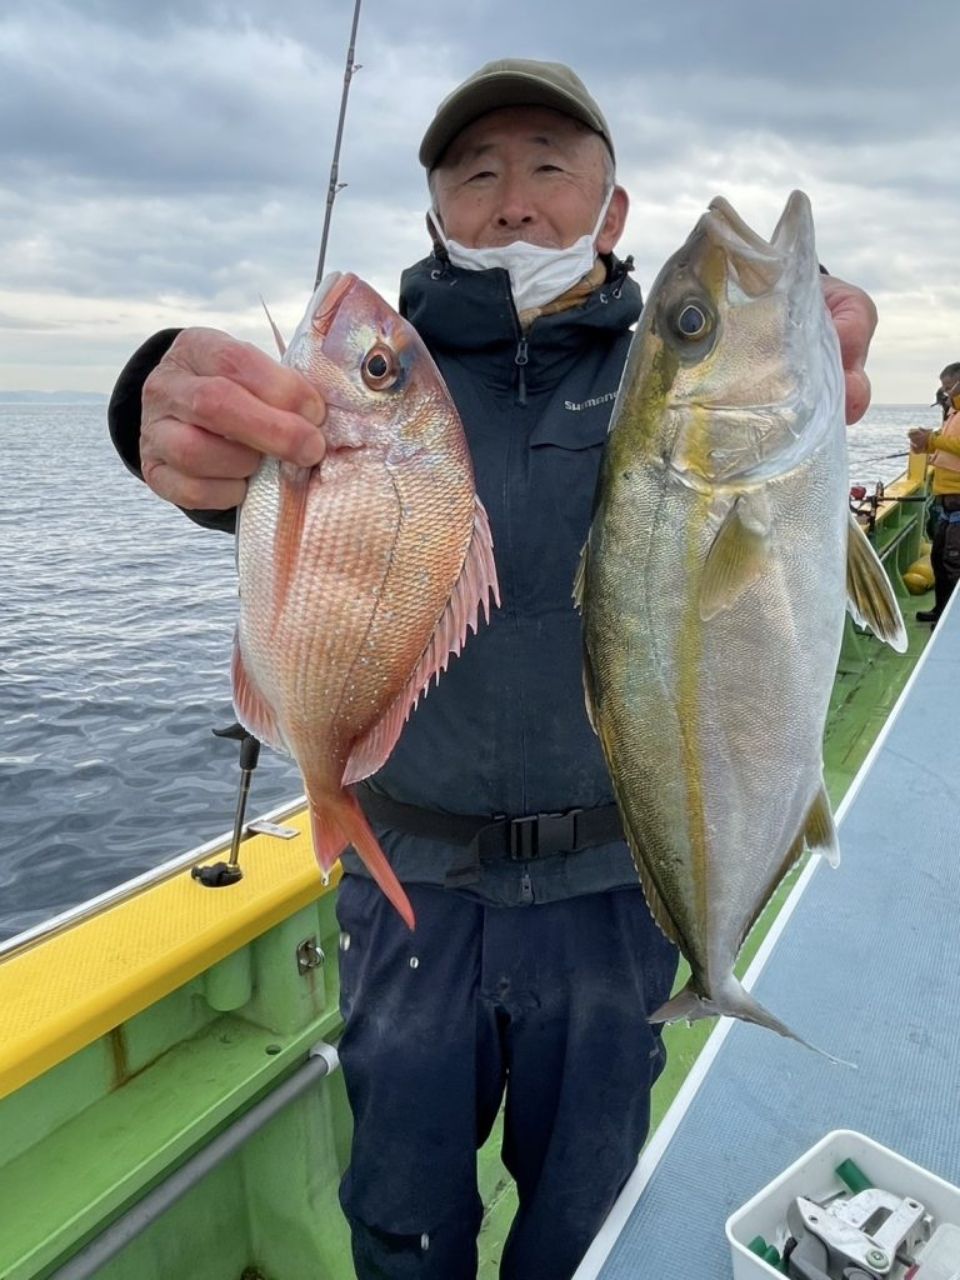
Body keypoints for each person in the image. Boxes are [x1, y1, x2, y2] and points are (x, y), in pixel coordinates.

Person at [108, 58, 880, 1280]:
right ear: (432, 216)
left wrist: (801, 323)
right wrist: (159, 399)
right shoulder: (374, 389)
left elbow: (760, 387)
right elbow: (248, 471)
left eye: (549, 167)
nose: (513, 200)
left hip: (616, 894)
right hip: (415, 886)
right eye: (475, 173)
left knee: (590, 1219)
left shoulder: (654, 384)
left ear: (615, 212)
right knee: (404, 1215)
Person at [910, 364, 960, 625]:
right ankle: (941, 612)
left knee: (954, 564)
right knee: (939, 560)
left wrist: (934, 439)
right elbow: (947, 446)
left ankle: (952, 622)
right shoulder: (953, 414)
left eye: (948, 386)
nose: (944, 392)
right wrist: (925, 443)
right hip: (945, 500)